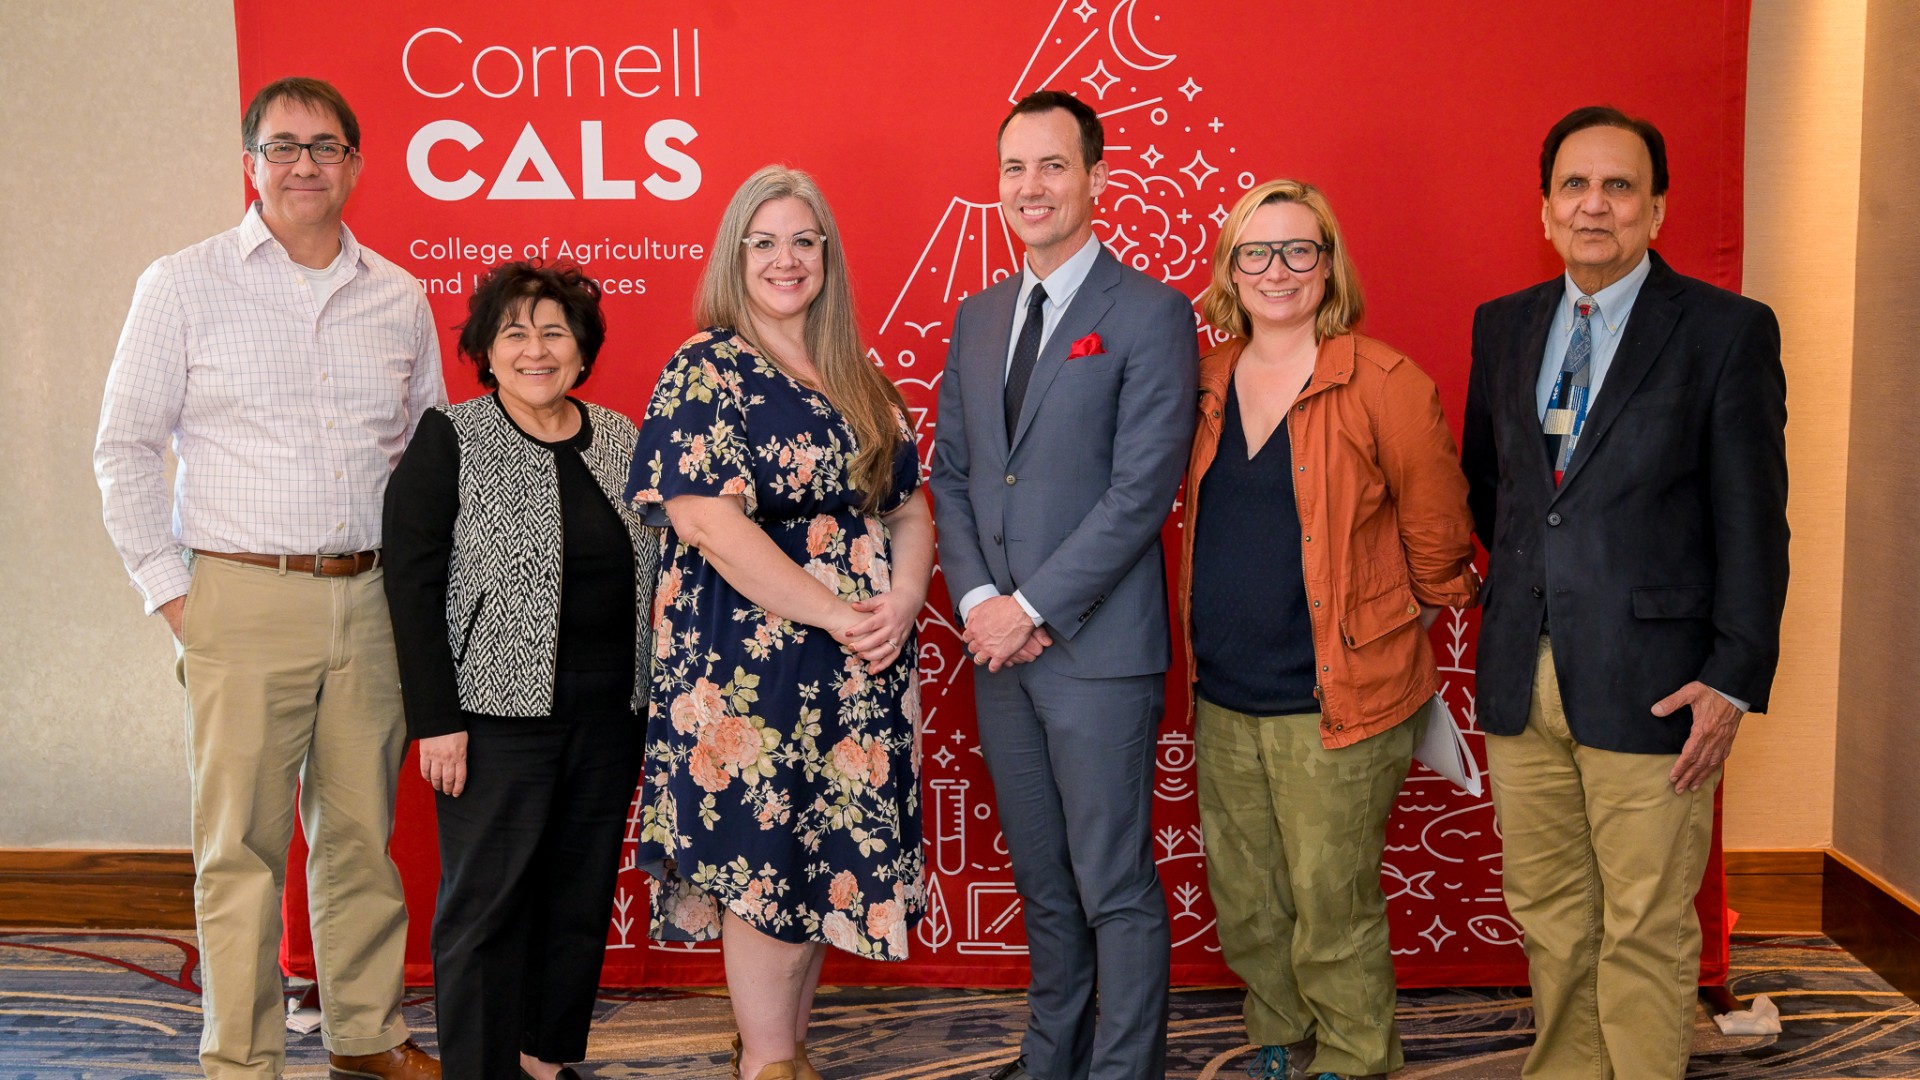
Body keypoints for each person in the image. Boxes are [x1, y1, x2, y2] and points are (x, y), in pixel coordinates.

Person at [92, 77, 442, 1079]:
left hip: (368, 598)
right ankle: (242, 1057)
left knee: (359, 839)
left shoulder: (399, 295)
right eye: (282, 146)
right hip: (237, 598)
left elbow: (425, 459)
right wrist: (174, 596)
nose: (303, 165)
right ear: (251, 164)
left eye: (324, 147)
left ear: (354, 166)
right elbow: (123, 449)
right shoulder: (183, 283)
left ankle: (366, 1033)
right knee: (239, 850)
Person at [1461, 106, 1789, 1078]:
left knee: (1643, 922)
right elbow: (1497, 488)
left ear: (1656, 207)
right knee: (1551, 911)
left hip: (1660, 685)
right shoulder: (1506, 325)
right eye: (1575, 185)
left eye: (1617, 186)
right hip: (1526, 670)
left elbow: (1753, 521)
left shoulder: (1725, 333)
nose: (1593, 204)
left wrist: (1732, 678)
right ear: (1546, 208)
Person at [625, 165, 934, 1080]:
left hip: (858, 662)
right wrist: (838, 612)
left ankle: (783, 1053)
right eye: (763, 242)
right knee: (764, 854)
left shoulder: (857, 372)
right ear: (735, 256)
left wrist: (905, 599)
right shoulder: (706, 365)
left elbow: (911, 509)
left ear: (828, 256)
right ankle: (767, 1063)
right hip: (747, 663)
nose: (785, 259)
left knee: (819, 852)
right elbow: (705, 523)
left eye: (803, 240)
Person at [1178, 180, 1479, 1080]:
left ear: (1329, 264)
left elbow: (1440, 547)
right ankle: (1279, 1034)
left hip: (1337, 704)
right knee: (1250, 899)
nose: (1277, 270)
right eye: (1256, 252)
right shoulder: (1207, 378)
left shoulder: (1383, 382)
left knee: (1329, 900)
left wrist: (1373, 639)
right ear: (1232, 269)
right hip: (1223, 693)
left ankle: (1353, 1056)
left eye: (1299, 250)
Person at [928, 90, 1199, 1080]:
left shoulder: (1153, 313)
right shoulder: (980, 314)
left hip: (1094, 652)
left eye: (1052, 165)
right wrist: (977, 608)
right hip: (996, 651)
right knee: (1043, 881)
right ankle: (1053, 1059)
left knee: (1112, 882)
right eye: (1013, 168)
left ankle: (1122, 1071)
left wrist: (1030, 608)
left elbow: (1142, 490)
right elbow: (954, 472)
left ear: (1094, 176)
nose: (1030, 186)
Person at [380, 262, 659, 1080]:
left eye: (554, 333)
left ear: (580, 352)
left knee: (576, 904)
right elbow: (412, 582)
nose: (536, 349)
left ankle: (544, 1062)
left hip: (610, 720)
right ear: (486, 351)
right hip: (493, 721)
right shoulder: (451, 437)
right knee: (486, 912)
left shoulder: (621, 441)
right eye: (515, 333)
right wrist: (437, 718)